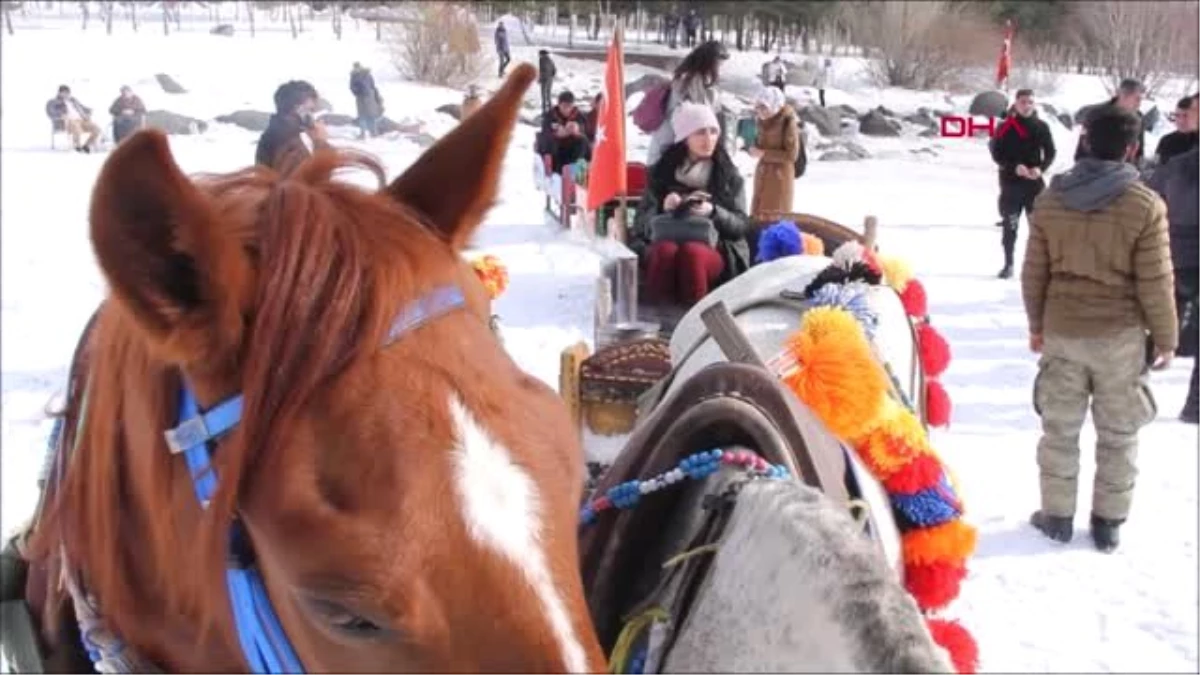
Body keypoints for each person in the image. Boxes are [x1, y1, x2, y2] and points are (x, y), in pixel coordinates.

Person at [1021, 106, 1177, 553]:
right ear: (1132, 148)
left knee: (1059, 429)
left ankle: (1056, 515)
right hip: (1120, 336)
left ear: (1086, 141)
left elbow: (1034, 272)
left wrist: (1036, 324)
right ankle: (1108, 522)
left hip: (1063, 328)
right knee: (1119, 432)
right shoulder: (1145, 205)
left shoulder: (1051, 199)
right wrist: (1165, 338)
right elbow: (1157, 280)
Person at [632, 102, 751, 309]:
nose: (709, 139)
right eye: (700, 133)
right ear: (685, 137)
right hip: (664, 242)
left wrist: (714, 212)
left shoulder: (728, 175)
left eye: (714, 132)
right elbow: (639, 224)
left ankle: (696, 326)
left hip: (716, 248)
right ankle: (656, 322)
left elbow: (741, 225)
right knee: (665, 250)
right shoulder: (661, 174)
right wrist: (662, 206)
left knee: (692, 252)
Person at [1147, 96, 1199, 370]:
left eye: (1187, 114)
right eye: (1178, 115)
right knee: (1172, 290)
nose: (1183, 120)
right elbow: (1156, 180)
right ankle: (1168, 340)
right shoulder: (1169, 144)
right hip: (1174, 227)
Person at [989, 88, 1057, 279]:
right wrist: (1013, 167)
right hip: (1011, 184)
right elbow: (996, 154)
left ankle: (1039, 267)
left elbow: (1051, 152)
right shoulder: (1005, 127)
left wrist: (1041, 168)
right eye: (1023, 102)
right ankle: (1008, 264)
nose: (1027, 105)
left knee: (1039, 228)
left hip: (1034, 185)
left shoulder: (1041, 126)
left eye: (1030, 102)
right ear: (1016, 104)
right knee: (1011, 226)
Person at [646, 40, 729, 168]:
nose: (721, 70)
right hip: (671, 148)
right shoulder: (688, 83)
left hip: (685, 148)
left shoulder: (703, 83)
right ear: (709, 63)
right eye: (719, 65)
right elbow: (692, 118)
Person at [748, 87, 800, 221]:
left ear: (775, 105)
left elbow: (791, 155)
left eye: (764, 107)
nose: (760, 111)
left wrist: (764, 153)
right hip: (763, 173)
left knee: (774, 216)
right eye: (758, 107)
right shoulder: (762, 121)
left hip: (779, 176)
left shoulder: (787, 122)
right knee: (758, 214)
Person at [255, 80, 330, 171]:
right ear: (297, 108)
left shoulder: (278, 132)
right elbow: (314, 179)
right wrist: (320, 142)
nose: (313, 116)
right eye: (311, 110)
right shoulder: (286, 140)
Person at [1074, 78, 1146, 166]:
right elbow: (1082, 147)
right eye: (1137, 99)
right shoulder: (1098, 114)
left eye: (1141, 99)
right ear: (1123, 95)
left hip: (1124, 173)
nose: (1139, 103)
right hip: (1093, 169)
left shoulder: (1138, 118)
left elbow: (1139, 151)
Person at [537, 91, 591, 174]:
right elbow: (545, 132)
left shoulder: (579, 115)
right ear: (559, 104)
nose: (567, 110)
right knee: (550, 143)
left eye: (570, 106)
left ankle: (578, 173)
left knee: (583, 142)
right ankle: (559, 173)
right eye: (564, 106)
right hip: (557, 149)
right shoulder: (550, 115)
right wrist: (556, 134)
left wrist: (577, 130)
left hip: (573, 149)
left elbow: (585, 130)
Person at [45, 85, 101, 153]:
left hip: (82, 120)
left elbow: (82, 107)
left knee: (96, 129)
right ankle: (77, 146)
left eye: (68, 92)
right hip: (67, 122)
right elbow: (50, 112)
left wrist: (88, 111)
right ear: (59, 93)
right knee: (75, 126)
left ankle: (86, 145)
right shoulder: (53, 101)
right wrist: (60, 115)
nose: (66, 94)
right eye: (64, 92)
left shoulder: (73, 100)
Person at [1153, 94, 1197, 166]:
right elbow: (1156, 167)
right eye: (1177, 115)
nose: (1181, 121)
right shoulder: (1166, 140)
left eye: (1186, 116)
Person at [349, 62, 384, 139]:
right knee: (370, 115)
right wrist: (376, 96)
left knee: (362, 115)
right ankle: (373, 132)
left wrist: (356, 92)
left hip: (361, 97)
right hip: (370, 96)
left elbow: (352, 87)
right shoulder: (367, 74)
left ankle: (363, 134)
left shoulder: (354, 75)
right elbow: (373, 85)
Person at [537, 49, 557, 116]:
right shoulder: (550, 60)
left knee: (543, 96)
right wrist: (551, 77)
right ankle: (550, 110)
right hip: (550, 79)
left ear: (542, 54)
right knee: (548, 95)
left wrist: (540, 78)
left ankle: (544, 111)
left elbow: (542, 70)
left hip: (544, 79)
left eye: (540, 54)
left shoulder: (541, 60)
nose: (539, 55)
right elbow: (554, 70)